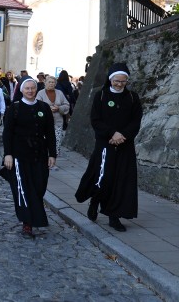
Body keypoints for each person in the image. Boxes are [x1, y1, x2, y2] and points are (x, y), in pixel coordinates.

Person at [75, 63, 143, 232]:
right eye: (117, 81)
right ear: (111, 79)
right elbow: (96, 119)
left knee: (121, 181)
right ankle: (95, 201)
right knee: (103, 178)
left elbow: (136, 121)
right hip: (105, 144)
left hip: (125, 145)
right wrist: (112, 133)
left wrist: (122, 136)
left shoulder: (132, 97)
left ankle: (114, 216)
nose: (119, 84)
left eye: (123, 81)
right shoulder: (101, 96)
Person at [0, 78, 57, 239]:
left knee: (39, 186)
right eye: (27, 89)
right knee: (23, 189)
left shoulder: (43, 107)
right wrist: (8, 154)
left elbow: (50, 133)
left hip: (39, 154)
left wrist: (52, 154)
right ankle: (27, 223)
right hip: (19, 155)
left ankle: (34, 216)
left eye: (32, 88)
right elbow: (7, 133)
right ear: (22, 90)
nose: (30, 91)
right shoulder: (15, 108)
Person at [36, 75, 70, 155]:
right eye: (49, 82)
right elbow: (37, 106)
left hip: (57, 122)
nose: (51, 84)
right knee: (44, 142)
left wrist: (59, 108)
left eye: (53, 82)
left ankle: (53, 161)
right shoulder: (41, 93)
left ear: (55, 84)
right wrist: (47, 109)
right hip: (44, 123)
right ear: (45, 83)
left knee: (56, 142)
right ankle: (44, 161)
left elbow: (66, 105)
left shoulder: (59, 93)